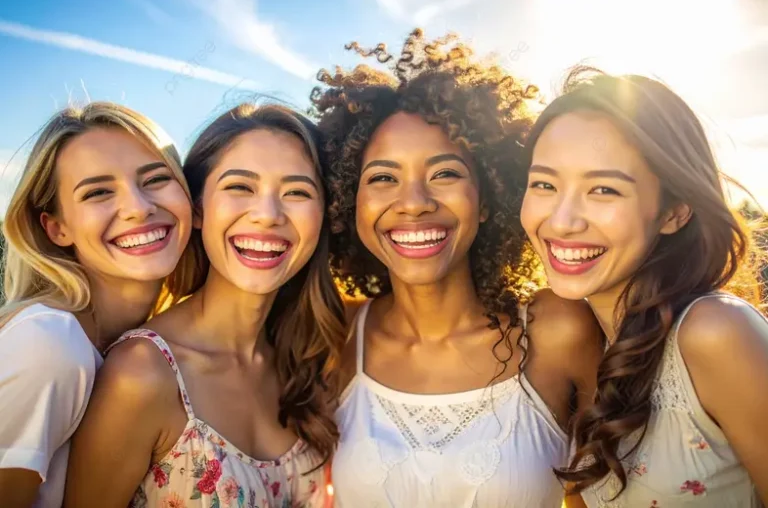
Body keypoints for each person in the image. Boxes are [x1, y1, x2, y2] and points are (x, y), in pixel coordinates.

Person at [312, 29, 604, 508]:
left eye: (445, 173)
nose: (414, 203)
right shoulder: (336, 335)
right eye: (383, 178)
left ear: (487, 197)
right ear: (350, 203)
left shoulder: (558, 328)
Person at [64, 103, 346, 508]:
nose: (267, 215)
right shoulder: (142, 373)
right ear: (197, 209)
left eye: (297, 192)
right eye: (239, 187)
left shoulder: (310, 357)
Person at [520, 66, 768, 506]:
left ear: (675, 212)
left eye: (603, 190)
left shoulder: (715, 333)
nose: (561, 220)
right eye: (544, 184)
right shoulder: (583, 343)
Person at [0, 102, 193, 507]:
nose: (138, 207)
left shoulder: (132, 347)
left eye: (156, 179)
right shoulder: (50, 346)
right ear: (56, 227)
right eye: (98, 192)